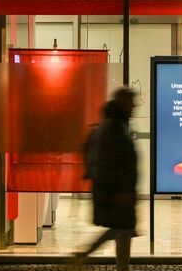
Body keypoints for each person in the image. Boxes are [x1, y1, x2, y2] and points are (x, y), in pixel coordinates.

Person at [78, 87, 138, 271]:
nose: (134, 106)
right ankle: (84, 256)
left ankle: (89, 257)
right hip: (117, 191)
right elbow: (114, 161)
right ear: (124, 104)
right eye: (131, 102)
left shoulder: (112, 124)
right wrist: (121, 190)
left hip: (115, 189)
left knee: (122, 229)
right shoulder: (114, 128)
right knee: (122, 228)